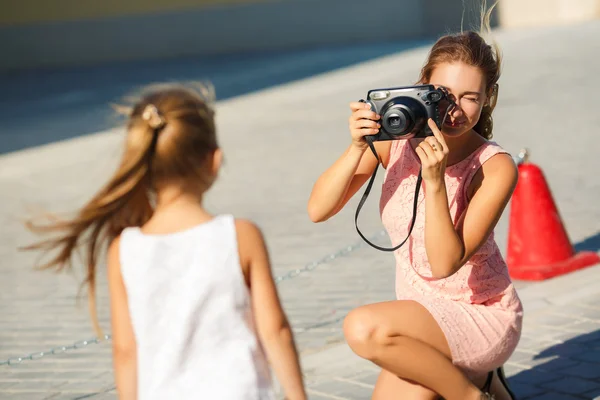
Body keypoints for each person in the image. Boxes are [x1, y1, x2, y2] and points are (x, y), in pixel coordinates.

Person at [25, 83, 307, 400]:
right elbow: (275, 330)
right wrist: (297, 395)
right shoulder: (240, 236)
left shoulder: (124, 249)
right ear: (213, 161)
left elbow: (126, 351)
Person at [307, 6, 522, 400]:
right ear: (422, 87)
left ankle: (472, 393)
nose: (455, 110)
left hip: (480, 316)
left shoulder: (495, 167)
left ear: (488, 98)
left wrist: (436, 181)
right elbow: (318, 209)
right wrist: (357, 147)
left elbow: (444, 264)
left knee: (363, 327)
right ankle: (482, 384)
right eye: (444, 95)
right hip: (419, 320)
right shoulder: (395, 141)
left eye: (471, 97)